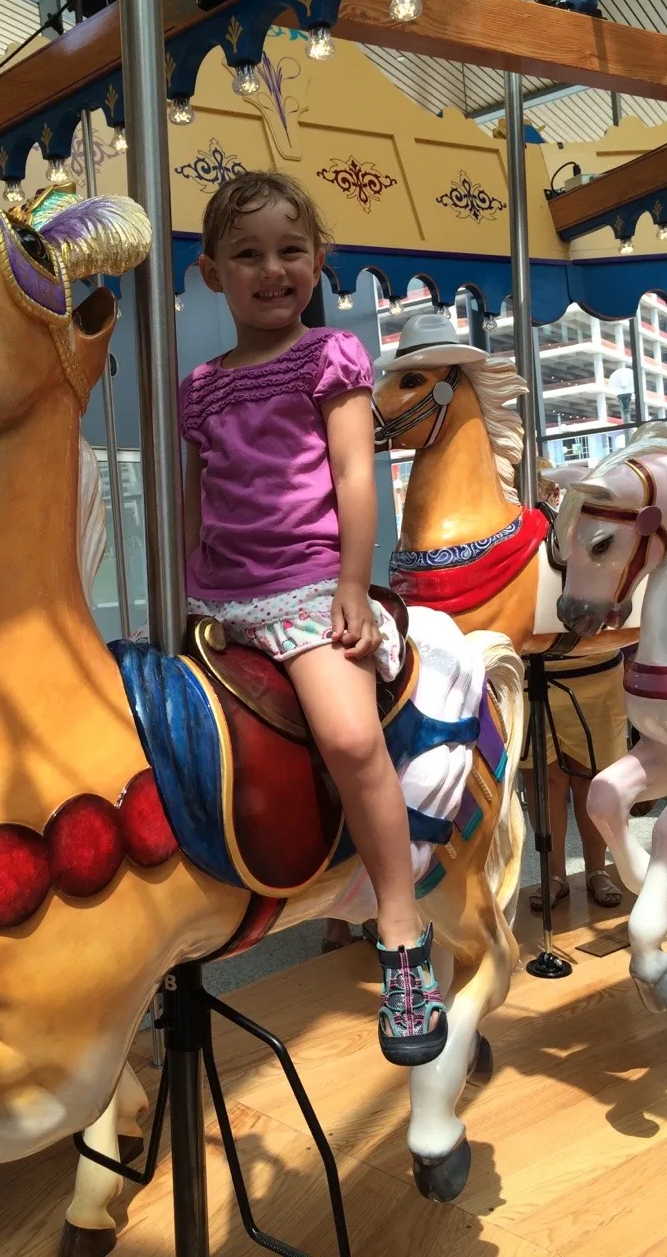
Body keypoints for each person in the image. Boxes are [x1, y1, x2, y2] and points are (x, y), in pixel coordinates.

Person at [181, 170, 445, 1065]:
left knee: (349, 737)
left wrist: (351, 581)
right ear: (212, 272)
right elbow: (197, 491)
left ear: (318, 262)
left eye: (291, 251)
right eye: (248, 254)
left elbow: (355, 475)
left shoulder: (329, 357)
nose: (272, 270)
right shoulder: (202, 386)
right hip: (221, 599)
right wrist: (187, 583)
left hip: (302, 586)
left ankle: (401, 930)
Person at [520, 462, 626, 912]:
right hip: (538, 678)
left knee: (594, 782)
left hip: (597, 675)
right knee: (544, 785)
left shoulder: (606, 537)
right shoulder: (519, 541)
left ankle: (597, 869)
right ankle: (555, 874)